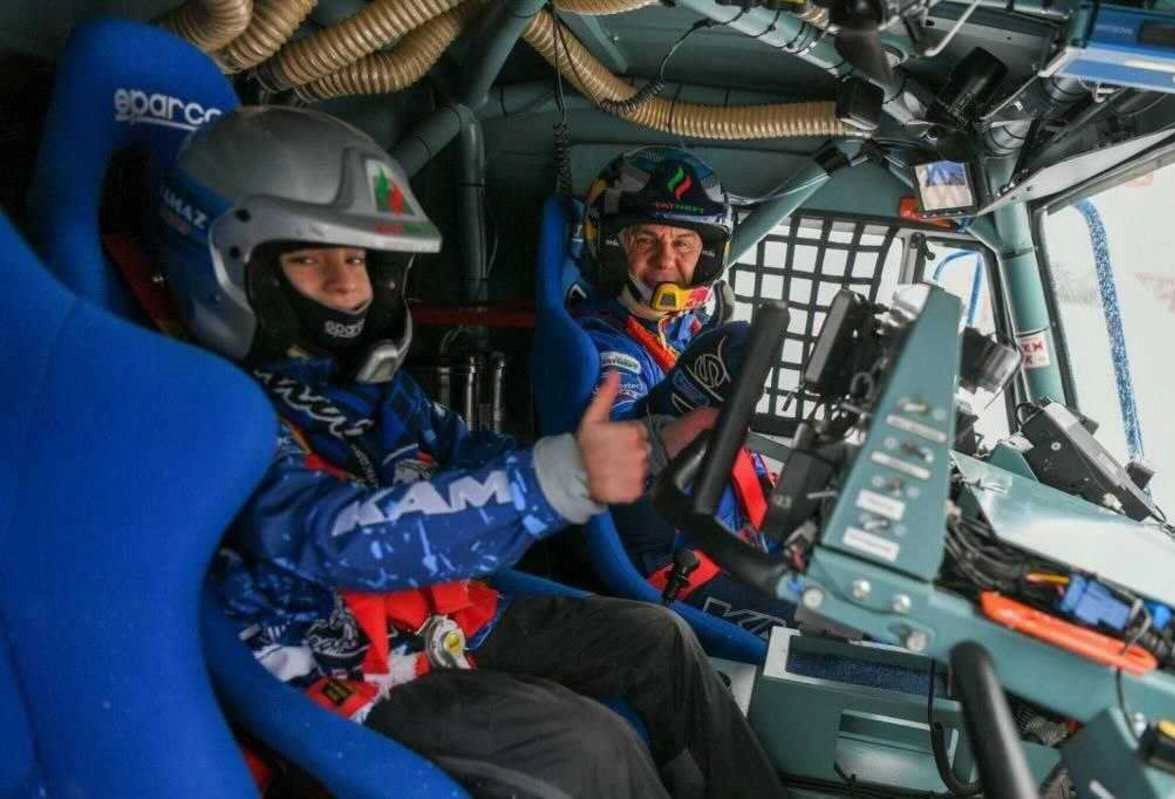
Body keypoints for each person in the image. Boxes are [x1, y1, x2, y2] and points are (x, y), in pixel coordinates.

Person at [156, 106, 787, 799]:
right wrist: (558, 480)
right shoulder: (214, 409)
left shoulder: (377, 392)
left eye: (357, 259)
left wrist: (647, 445)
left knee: (658, 638)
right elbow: (333, 540)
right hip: (351, 672)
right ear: (237, 269)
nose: (348, 287)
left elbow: (475, 455)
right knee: (589, 743)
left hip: (449, 614)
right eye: (309, 260)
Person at [574, 147, 800, 636]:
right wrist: (681, 407)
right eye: (645, 240)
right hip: (682, 569)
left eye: (684, 243)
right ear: (610, 245)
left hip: (746, 533)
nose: (666, 261)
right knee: (863, 640)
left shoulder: (682, 328)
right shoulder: (600, 345)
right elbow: (621, 464)